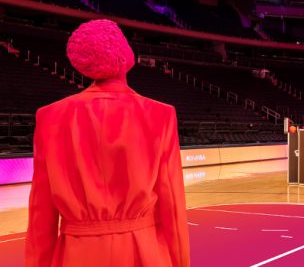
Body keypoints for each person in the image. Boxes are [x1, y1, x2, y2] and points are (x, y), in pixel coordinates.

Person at [25, 19, 189, 267]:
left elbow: (41, 215)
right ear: (124, 53)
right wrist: (179, 262)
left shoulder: (49, 117)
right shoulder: (161, 115)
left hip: (77, 255)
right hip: (142, 253)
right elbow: (172, 207)